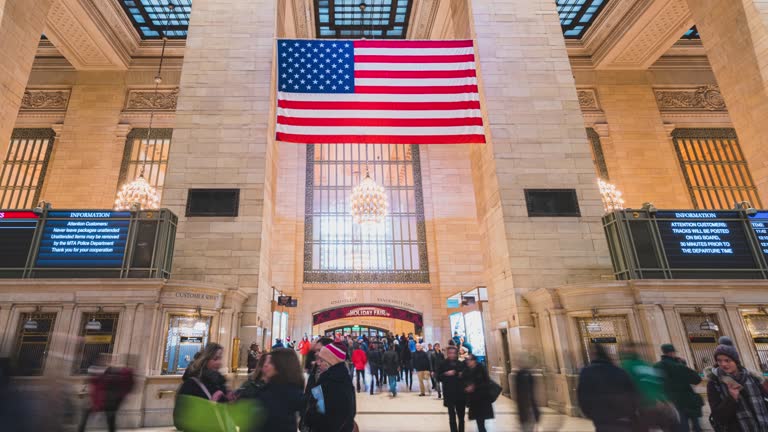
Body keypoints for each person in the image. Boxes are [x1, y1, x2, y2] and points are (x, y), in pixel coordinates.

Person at [707, 337, 768, 431]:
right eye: (719, 361)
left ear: (736, 361)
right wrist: (732, 398)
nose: (723, 364)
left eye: (727, 360)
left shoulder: (753, 378)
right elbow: (719, 418)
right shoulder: (714, 383)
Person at [577, 344, 638, 432]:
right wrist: (630, 412)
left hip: (602, 419)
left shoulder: (587, 372)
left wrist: (591, 414)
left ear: (593, 355)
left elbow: (583, 397)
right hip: (623, 417)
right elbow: (633, 393)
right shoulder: (619, 371)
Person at [241, 348, 304, 432]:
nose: (265, 365)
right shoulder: (266, 388)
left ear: (281, 365)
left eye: (270, 362)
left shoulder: (283, 393)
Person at [174, 343, 233, 430]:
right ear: (205, 360)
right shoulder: (191, 384)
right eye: (215, 359)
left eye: (220, 358)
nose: (219, 362)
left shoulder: (220, 382)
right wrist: (209, 406)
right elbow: (179, 421)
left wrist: (230, 401)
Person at [620, 343, 677, 432]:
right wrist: (665, 400)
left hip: (641, 406)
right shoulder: (647, 365)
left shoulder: (626, 365)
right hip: (658, 405)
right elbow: (658, 383)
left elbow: (625, 387)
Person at [304, 342, 357, 432]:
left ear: (331, 362)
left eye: (322, 360)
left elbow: (318, 409)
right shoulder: (344, 378)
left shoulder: (327, 382)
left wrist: (308, 419)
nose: (318, 363)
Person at [78, 354, 135, 432]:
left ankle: (80, 430)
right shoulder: (112, 371)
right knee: (110, 421)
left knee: (89, 413)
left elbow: (97, 383)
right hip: (110, 401)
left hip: (105, 400)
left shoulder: (107, 371)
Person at [654, 344, 703, 432]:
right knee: (695, 426)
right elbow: (697, 379)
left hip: (670, 402)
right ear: (672, 353)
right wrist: (683, 365)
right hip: (687, 402)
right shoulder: (678, 365)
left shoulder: (656, 366)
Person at [300, 337, 334, 432]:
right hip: (314, 422)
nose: (316, 353)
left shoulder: (337, 373)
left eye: (319, 350)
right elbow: (312, 394)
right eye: (316, 351)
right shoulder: (316, 369)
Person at [439, 346, 467, 432]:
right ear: (447, 354)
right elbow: (438, 377)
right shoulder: (443, 364)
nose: (452, 355)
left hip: (460, 394)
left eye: (454, 353)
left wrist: (461, 375)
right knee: (452, 416)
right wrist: (446, 374)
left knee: (461, 417)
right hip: (449, 393)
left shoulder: (461, 364)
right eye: (450, 353)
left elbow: (466, 377)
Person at [464, 354, 494, 432]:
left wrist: (474, 386)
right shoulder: (467, 370)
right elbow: (464, 381)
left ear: (474, 361)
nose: (468, 362)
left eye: (469, 360)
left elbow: (487, 382)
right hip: (474, 399)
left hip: (482, 398)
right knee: (479, 420)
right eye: (467, 360)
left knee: (481, 421)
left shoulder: (481, 368)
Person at [515, 355, 540, 432]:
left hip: (527, 406)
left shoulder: (525, 374)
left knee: (528, 427)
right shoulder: (522, 374)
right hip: (526, 407)